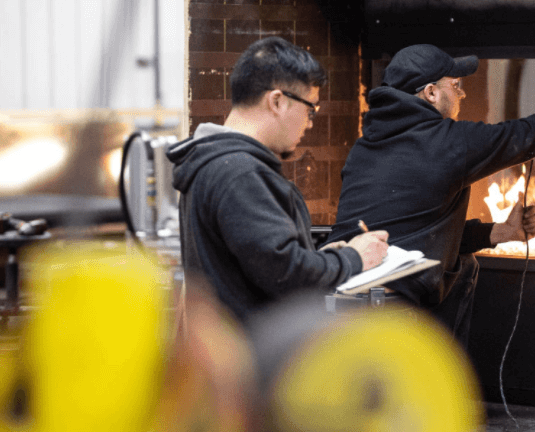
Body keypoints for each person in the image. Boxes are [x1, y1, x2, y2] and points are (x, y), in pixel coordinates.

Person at [326, 44, 535, 345]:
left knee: (464, 262)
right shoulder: (445, 143)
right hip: (390, 314)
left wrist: (498, 232)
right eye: (456, 85)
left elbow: (413, 231)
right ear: (431, 93)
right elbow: (532, 134)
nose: (463, 94)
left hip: (332, 305)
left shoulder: (365, 148)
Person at [167, 37, 389, 325]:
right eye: (311, 109)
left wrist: (320, 258)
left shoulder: (218, 162)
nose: (310, 123)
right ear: (277, 101)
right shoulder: (241, 173)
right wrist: (353, 258)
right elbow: (288, 277)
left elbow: (260, 266)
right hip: (257, 357)